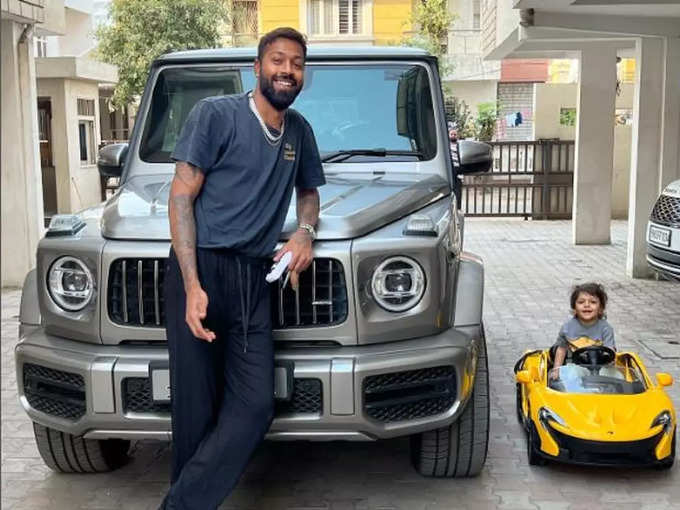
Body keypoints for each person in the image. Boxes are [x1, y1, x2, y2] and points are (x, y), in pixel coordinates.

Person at [161, 27, 325, 509]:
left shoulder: (298, 131)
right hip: (202, 271)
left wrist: (303, 232)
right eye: (277, 60)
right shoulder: (215, 115)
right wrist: (192, 285)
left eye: (296, 64)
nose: (287, 71)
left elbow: (309, 192)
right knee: (195, 412)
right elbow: (180, 196)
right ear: (257, 68)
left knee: (254, 406)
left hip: (253, 278)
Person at [549, 282, 615, 382]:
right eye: (581, 302)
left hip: (601, 367)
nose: (587, 305)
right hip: (576, 366)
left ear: (601, 309)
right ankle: (574, 395)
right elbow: (561, 349)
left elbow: (610, 350)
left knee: (617, 376)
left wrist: (611, 361)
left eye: (593, 302)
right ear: (574, 309)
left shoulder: (606, 329)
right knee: (571, 374)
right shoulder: (567, 328)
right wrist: (556, 370)